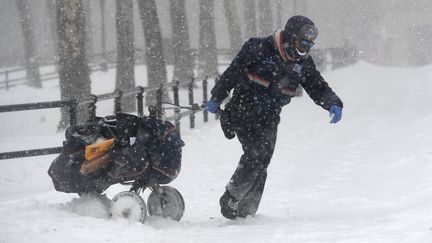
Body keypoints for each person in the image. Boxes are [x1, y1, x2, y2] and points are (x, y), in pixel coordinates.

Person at [206, 15, 343, 219]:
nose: (305, 48)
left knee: (264, 159)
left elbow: (317, 85)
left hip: (270, 116)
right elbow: (233, 72)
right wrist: (217, 96)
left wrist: (333, 103)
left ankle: (247, 208)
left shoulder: (303, 63)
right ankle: (231, 199)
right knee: (255, 153)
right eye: (302, 42)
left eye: (309, 44)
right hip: (243, 110)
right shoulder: (258, 48)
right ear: (290, 37)